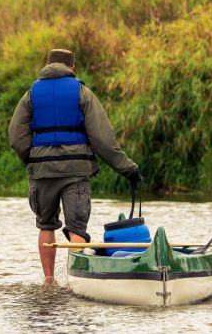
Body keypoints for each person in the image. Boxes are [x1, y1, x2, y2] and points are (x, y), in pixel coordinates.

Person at [8, 49, 142, 283]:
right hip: (76, 172)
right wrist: (127, 168)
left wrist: (33, 159)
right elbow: (103, 139)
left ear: (47, 65)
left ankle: (49, 280)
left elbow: (15, 136)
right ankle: (75, 282)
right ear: (72, 67)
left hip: (42, 172)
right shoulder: (82, 92)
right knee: (77, 228)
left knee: (45, 225)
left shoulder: (31, 94)